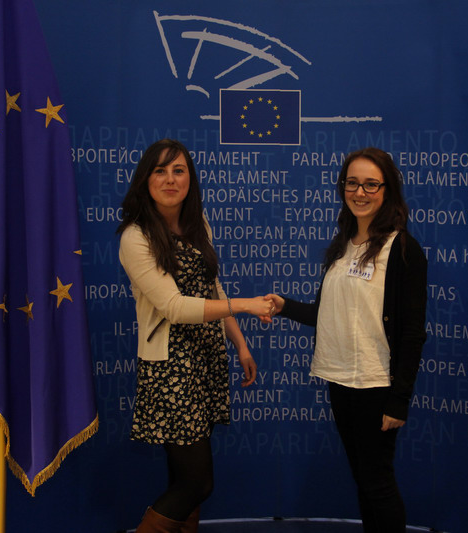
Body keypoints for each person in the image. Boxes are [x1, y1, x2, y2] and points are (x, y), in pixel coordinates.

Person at [264, 147, 428, 533]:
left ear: (387, 190)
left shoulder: (403, 249)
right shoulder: (343, 245)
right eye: (352, 183)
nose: (360, 192)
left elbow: (412, 332)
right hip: (340, 379)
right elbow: (326, 314)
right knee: (364, 480)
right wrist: (284, 306)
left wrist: (399, 400)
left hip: (376, 384)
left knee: (378, 482)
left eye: (371, 184)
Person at [118, 139, 275, 533]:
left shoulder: (197, 224)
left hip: (205, 360)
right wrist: (246, 305)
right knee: (197, 483)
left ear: (190, 179)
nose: (170, 179)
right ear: (145, 180)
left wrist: (240, 344)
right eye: (160, 171)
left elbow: (211, 288)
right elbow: (174, 307)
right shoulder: (136, 237)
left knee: (182, 478)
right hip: (171, 368)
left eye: (179, 170)